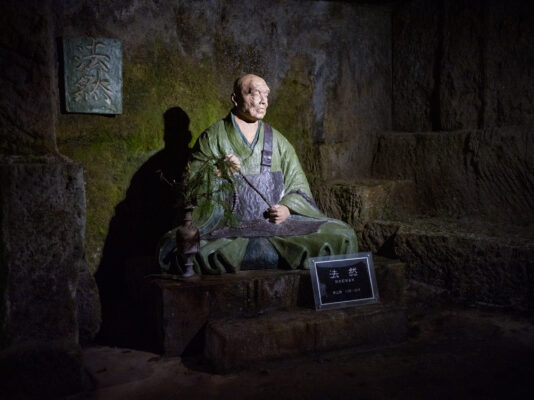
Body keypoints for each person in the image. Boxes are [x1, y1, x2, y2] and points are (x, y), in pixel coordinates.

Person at [160, 74, 357, 274]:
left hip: (274, 226)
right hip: (229, 229)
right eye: (254, 93)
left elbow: (298, 185)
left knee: (343, 234)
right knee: (176, 246)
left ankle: (257, 255)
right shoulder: (213, 138)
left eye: (266, 94)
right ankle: (263, 254)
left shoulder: (278, 141)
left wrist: (288, 208)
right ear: (235, 98)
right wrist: (218, 173)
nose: (263, 100)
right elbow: (190, 186)